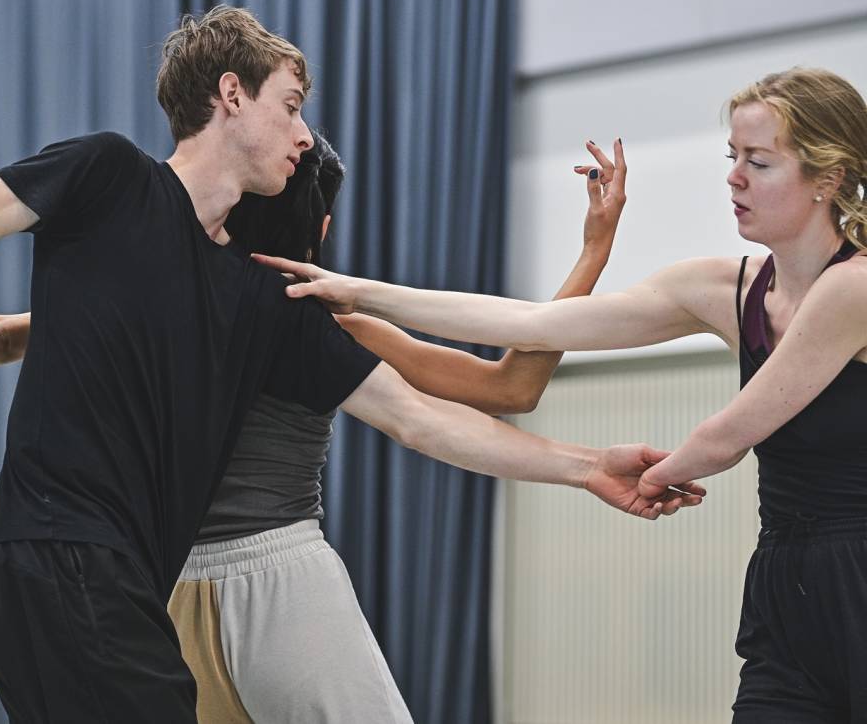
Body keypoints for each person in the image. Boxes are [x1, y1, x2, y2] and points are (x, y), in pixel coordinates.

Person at [0, 6, 698, 722]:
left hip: (99, 579)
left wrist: (580, 466)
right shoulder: (103, 179)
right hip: (62, 560)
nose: (302, 134)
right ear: (230, 94)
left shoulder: (267, 304)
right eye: (291, 105)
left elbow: (434, 417)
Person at [256, 67, 867, 723]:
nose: (733, 177)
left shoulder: (852, 288)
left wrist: (642, 474)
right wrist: (359, 289)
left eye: (759, 162)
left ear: (827, 178)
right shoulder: (724, 288)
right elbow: (530, 325)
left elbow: (725, 436)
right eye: (732, 157)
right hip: (785, 581)